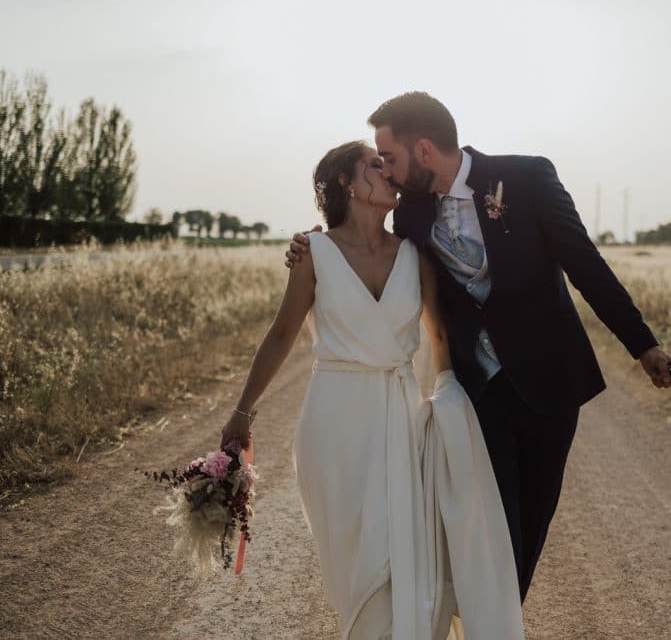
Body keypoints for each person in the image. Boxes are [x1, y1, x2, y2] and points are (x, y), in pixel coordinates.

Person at [285, 92, 671, 603]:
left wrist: (644, 346)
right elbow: (361, 239)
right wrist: (310, 242)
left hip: (551, 384)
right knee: (495, 531)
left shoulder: (528, 178)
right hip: (480, 392)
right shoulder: (410, 215)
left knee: (531, 527)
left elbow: (586, 265)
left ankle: (502, 618)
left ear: (424, 149)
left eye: (391, 158)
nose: (387, 170)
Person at [219, 140, 525, 639]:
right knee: (356, 573)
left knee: (403, 558)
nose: (387, 173)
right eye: (374, 166)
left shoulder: (415, 255)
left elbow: (440, 337)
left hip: (402, 419)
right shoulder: (312, 252)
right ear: (346, 182)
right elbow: (280, 335)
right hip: (333, 425)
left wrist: (450, 404)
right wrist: (242, 411)